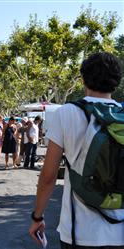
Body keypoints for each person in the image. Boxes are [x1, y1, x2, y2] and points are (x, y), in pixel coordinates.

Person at [29, 52, 124, 248]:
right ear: (116, 82)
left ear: (83, 79)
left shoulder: (67, 113)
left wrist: (37, 216)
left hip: (79, 232)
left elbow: (49, 176)